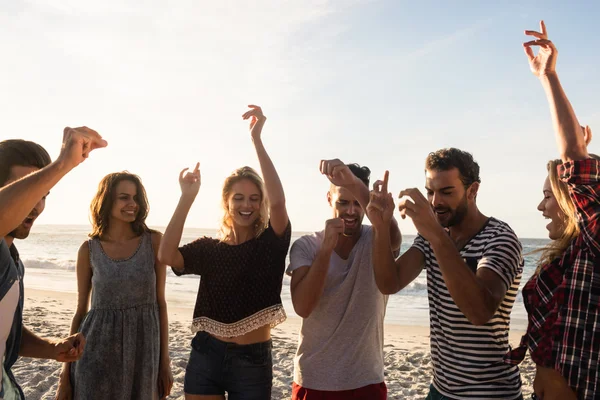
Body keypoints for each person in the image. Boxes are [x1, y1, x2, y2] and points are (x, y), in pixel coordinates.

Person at [368, 148, 524, 399]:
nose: (435, 202)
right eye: (430, 191)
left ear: (472, 190)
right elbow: (389, 282)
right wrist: (380, 225)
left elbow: (479, 311)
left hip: (490, 393)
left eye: (446, 192)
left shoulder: (499, 238)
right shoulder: (433, 236)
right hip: (441, 389)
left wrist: (436, 234)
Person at [158, 105, 291, 400]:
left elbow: (279, 204)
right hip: (206, 354)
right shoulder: (209, 248)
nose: (247, 205)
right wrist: (186, 198)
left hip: (252, 361)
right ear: (227, 202)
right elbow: (166, 255)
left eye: (255, 198)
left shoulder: (271, 243)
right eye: (239, 197)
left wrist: (257, 140)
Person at [503, 21, 600, 400]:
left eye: (549, 195)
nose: (541, 205)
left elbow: (574, 163)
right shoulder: (574, 253)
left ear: (570, 200)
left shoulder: (594, 245)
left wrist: (549, 77)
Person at [0, 127, 106, 399]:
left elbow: (7, 331)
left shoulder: (13, 261)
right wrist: (63, 164)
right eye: (28, 188)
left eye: (45, 193)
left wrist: (52, 348)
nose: (36, 203)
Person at [287, 161, 401, 399]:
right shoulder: (306, 246)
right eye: (343, 202)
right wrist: (326, 250)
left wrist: (354, 184)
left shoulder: (377, 237)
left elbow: (393, 239)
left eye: (357, 203)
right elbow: (303, 307)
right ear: (329, 199)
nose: (351, 211)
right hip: (315, 380)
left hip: (366, 380)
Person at [56, 172, 173, 400]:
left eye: (136, 197)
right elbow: (81, 312)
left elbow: (161, 304)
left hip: (143, 353)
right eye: (124, 197)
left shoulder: (154, 242)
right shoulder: (88, 250)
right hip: (95, 351)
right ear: (106, 200)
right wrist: (65, 375)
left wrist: (164, 363)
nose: (133, 204)